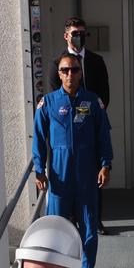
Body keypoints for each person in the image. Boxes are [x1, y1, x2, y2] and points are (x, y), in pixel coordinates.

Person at [33, 51, 113, 268]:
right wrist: (39, 170)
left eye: (75, 70)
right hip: (59, 175)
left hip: (87, 175)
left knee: (88, 226)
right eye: (65, 70)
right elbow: (38, 139)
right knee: (57, 226)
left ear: (80, 73)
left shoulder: (93, 102)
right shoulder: (47, 103)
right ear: (59, 74)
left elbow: (103, 137)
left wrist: (106, 165)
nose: (70, 74)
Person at [46, 16, 114, 238]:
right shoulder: (57, 64)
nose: (79, 37)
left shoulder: (96, 61)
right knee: (66, 179)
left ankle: (95, 219)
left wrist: (91, 110)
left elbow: (104, 93)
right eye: (75, 33)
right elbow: (55, 96)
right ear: (66, 35)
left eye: (83, 33)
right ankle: (71, 220)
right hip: (66, 130)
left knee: (96, 174)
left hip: (92, 126)